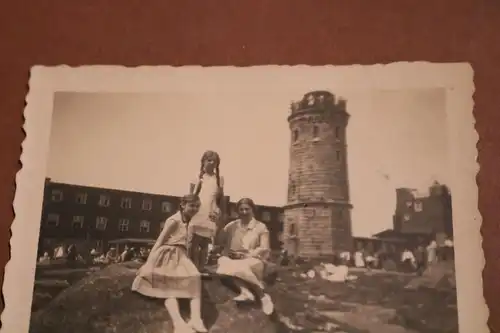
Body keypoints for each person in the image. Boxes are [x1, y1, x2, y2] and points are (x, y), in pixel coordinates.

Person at [132, 194, 207, 333]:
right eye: (192, 205)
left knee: (195, 277)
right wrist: (149, 263)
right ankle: (178, 324)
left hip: (182, 256)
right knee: (170, 288)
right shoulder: (174, 220)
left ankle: (196, 319)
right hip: (168, 254)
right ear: (183, 205)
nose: (194, 209)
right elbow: (160, 241)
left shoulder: (191, 222)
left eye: (197, 206)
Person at [214, 198, 274, 315]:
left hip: (254, 260)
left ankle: (263, 296)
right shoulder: (232, 226)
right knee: (223, 261)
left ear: (253, 210)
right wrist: (218, 225)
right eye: (241, 209)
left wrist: (246, 255)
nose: (244, 212)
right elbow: (219, 240)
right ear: (237, 211)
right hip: (233, 259)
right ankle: (245, 291)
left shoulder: (261, 227)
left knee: (238, 266)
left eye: (247, 209)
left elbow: (265, 248)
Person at [188, 150, 224, 272]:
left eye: (215, 161)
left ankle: (201, 267)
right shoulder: (197, 176)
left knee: (205, 242)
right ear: (203, 161)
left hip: (210, 211)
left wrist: (217, 211)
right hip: (198, 210)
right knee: (194, 242)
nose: (212, 163)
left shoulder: (219, 179)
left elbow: (220, 199)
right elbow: (191, 196)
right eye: (209, 160)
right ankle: (193, 266)